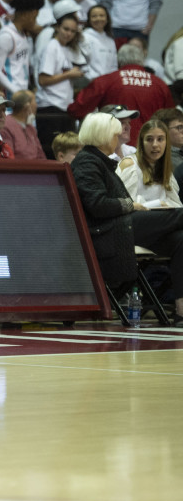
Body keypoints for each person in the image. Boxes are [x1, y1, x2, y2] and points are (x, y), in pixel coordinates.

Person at [71, 111, 183, 326]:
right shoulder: (87, 162)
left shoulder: (99, 161)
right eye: (115, 134)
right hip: (107, 230)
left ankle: (181, 310)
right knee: (178, 216)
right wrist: (131, 205)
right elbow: (97, 205)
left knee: (180, 238)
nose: (119, 138)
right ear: (102, 136)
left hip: (121, 225)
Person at [68, 42, 173, 140]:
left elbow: (77, 109)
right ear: (142, 60)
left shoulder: (107, 81)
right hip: (152, 146)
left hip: (116, 144)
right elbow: (171, 118)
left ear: (118, 61)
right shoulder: (160, 84)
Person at [36, 11, 85, 157]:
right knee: (53, 153)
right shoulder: (52, 46)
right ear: (57, 27)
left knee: (67, 152)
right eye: (65, 29)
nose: (68, 34)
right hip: (50, 107)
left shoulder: (68, 49)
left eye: (72, 31)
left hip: (64, 107)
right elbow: (43, 80)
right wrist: (69, 74)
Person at [118, 118, 181, 210]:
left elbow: (176, 203)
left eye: (160, 139)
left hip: (161, 219)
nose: (155, 144)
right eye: (149, 139)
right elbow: (125, 205)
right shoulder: (130, 164)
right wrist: (157, 204)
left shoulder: (164, 167)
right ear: (142, 143)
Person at [0, 0, 42, 99]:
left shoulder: (23, 35)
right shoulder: (6, 36)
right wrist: (16, 91)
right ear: (25, 15)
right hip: (11, 95)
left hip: (22, 93)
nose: (35, 22)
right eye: (34, 18)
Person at [0, 90, 44, 160]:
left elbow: (41, 156)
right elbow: (8, 157)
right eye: (34, 101)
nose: (36, 105)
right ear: (27, 106)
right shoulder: (6, 126)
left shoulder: (31, 128)